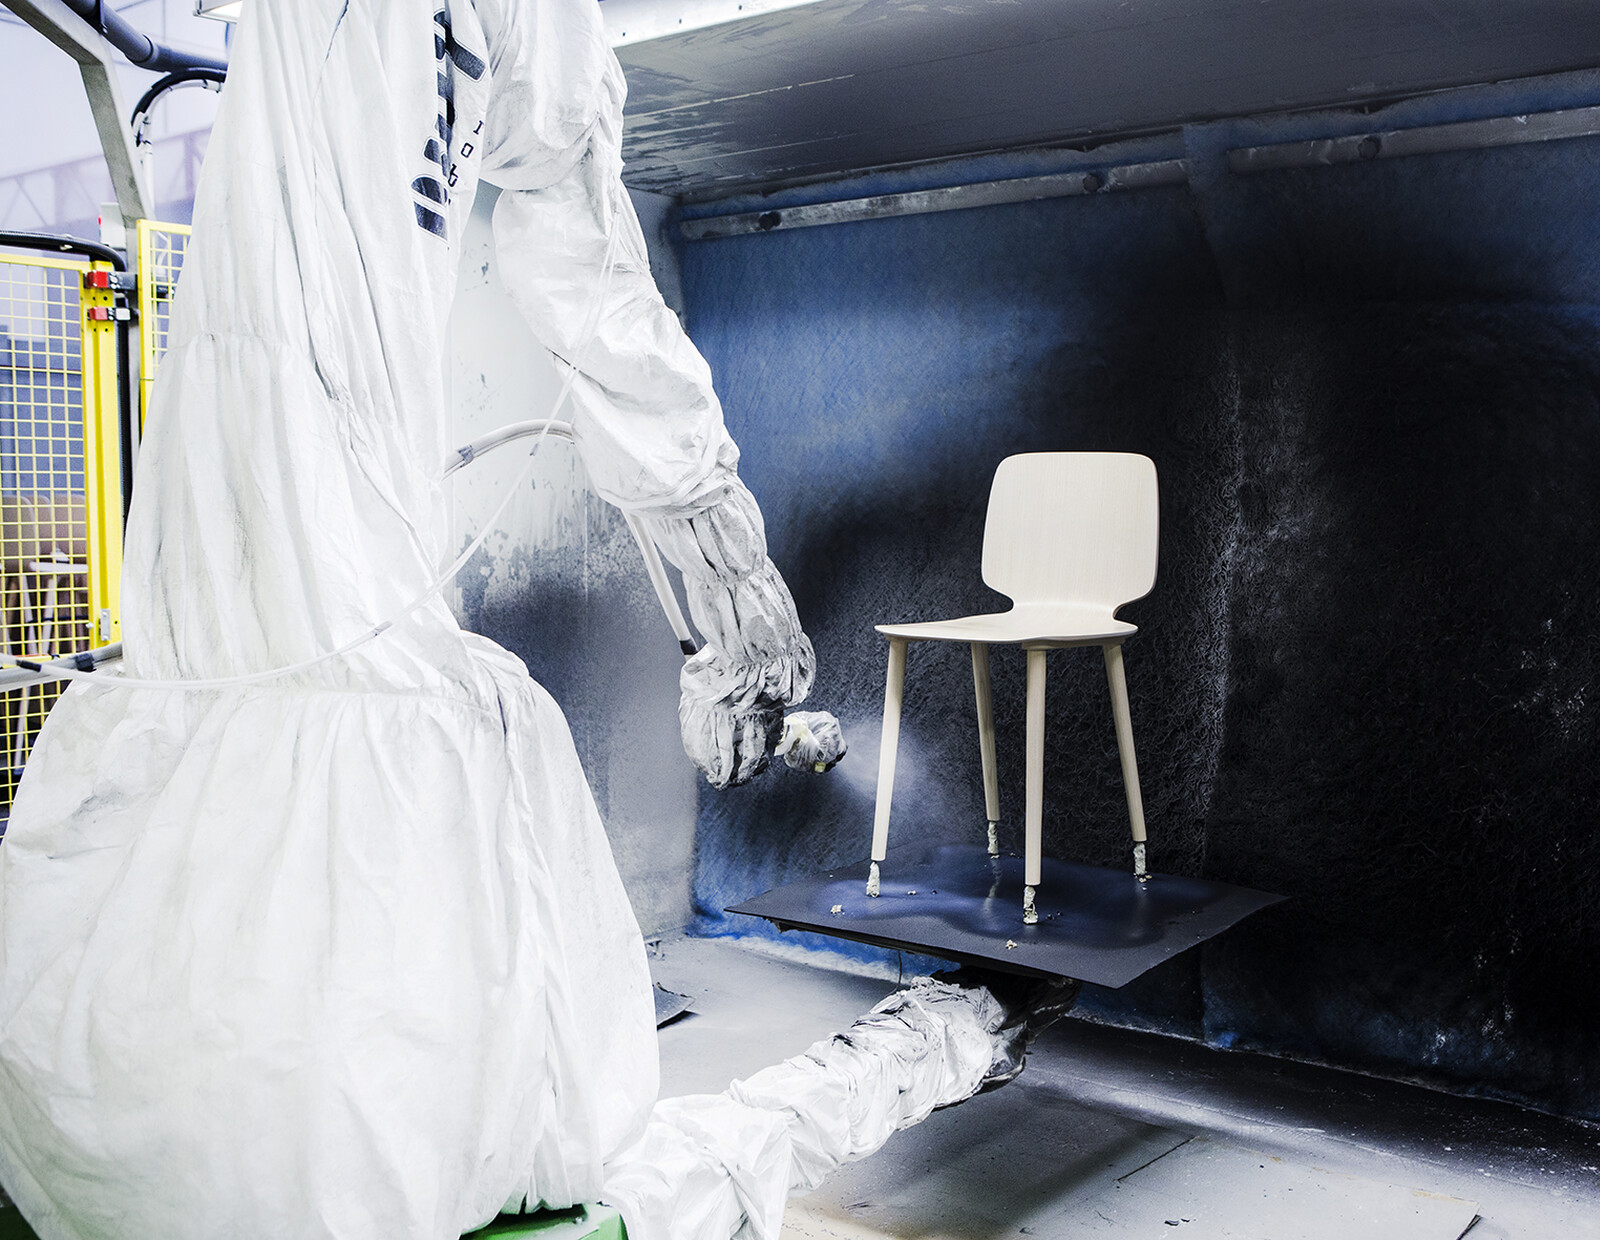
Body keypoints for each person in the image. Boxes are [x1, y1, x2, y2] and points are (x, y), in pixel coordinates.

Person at [0, 3, 1071, 1238]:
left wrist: (730, 614)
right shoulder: (397, 764)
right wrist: (732, 608)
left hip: (264, 683)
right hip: (313, 680)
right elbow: (597, 288)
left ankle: (951, 1030)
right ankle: (949, 1031)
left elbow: (580, 265)